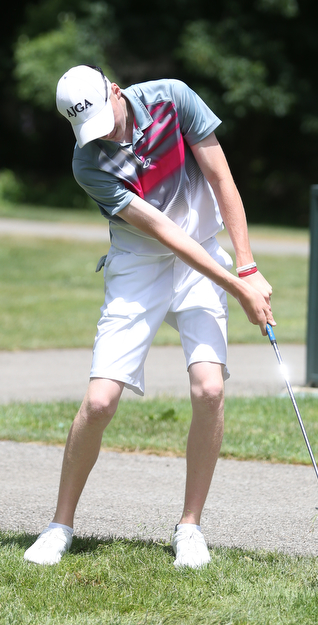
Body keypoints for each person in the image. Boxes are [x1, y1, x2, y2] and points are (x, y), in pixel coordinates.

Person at [23, 65, 275, 568]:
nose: (105, 133)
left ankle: (190, 527)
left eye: (104, 116)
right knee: (98, 402)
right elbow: (163, 232)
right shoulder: (87, 164)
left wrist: (247, 267)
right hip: (139, 264)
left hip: (202, 250)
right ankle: (59, 526)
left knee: (210, 389)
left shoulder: (173, 99)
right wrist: (238, 287)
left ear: (116, 92)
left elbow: (222, 179)